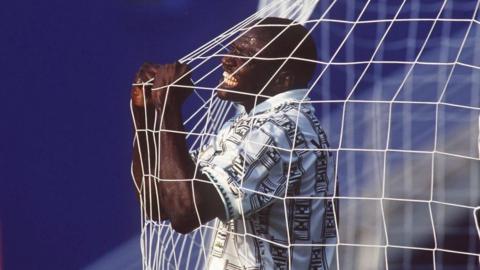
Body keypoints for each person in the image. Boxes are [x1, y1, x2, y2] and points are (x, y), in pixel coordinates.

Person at [131, 17, 337, 269]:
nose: (226, 60)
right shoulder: (252, 124)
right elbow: (161, 203)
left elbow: (185, 213)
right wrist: (147, 114)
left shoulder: (281, 131)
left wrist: (169, 108)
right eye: (232, 50)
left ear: (281, 79)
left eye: (244, 55)